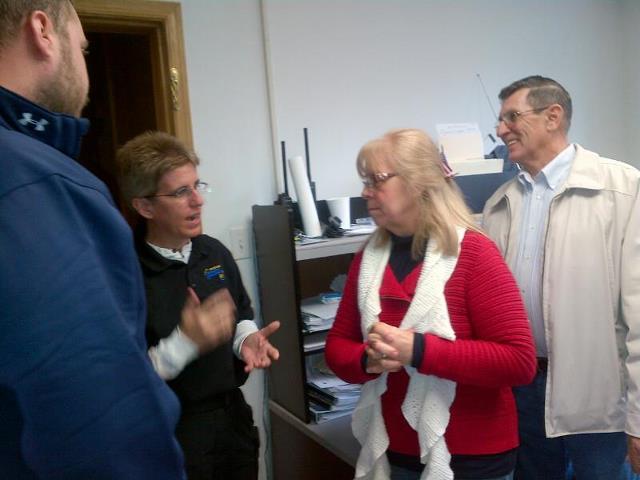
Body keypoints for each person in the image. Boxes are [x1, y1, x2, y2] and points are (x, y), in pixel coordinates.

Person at [0, 1, 190, 478]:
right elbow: (101, 421)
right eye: (83, 48)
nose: (85, 68)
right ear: (43, 30)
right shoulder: (38, 186)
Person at [325, 128, 537, 480]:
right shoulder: (369, 258)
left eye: (376, 180)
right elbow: (336, 347)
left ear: (419, 182)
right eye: (365, 181)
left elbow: (518, 361)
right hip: (392, 450)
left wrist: (420, 351)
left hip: (473, 458)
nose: (365, 192)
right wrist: (367, 359)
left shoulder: (474, 253)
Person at [482, 75, 640, 479]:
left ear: (553, 116)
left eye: (512, 116)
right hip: (522, 388)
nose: (501, 130)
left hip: (598, 394)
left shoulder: (622, 189)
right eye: (499, 120)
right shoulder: (500, 204)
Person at [116, 130, 280, 480]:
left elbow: (241, 315)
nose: (198, 201)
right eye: (180, 192)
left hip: (232, 419)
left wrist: (246, 340)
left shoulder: (213, 251)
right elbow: (122, 378)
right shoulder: (123, 273)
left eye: (197, 186)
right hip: (172, 430)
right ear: (145, 206)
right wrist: (186, 343)